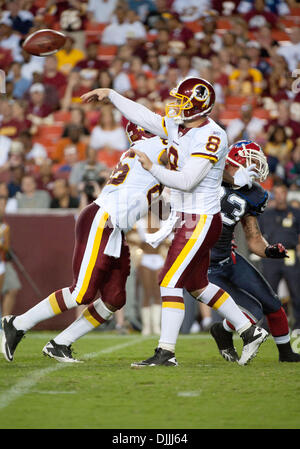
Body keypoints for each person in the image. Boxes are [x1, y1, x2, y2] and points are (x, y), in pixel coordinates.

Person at [80, 78, 269, 368]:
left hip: (201, 219)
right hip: (191, 218)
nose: (176, 105)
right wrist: (111, 95)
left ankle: (166, 352)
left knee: (169, 281)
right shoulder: (182, 125)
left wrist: (151, 167)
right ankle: (249, 329)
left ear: (198, 105)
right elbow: (146, 117)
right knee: (198, 285)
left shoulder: (212, 135)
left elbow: (187, 181)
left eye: (183, 101)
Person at [0, 123, 168, 363]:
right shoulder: (152, 148)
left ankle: (61, 343)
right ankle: (17, 324)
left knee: (114, 298)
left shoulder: (142, 151)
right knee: (82, 292)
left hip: (114, 227)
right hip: (102, 220)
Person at [208, 140, 300, 363]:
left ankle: (286, 353)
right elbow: (203, 170)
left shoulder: (254, 194)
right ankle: (221, 331)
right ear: (237, 161)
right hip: (204, 266)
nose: (258, 167)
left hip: (228, 259)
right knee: (251, 313)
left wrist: (269, 251)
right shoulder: (209, 176)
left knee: (272, 303)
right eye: (252, 160)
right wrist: (231, 179)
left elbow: (254, 238)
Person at [258, 183, 300, 333]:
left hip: (290, 255)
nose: (280, 196)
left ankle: (298, 325)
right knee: (269, 292)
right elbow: (259, 236)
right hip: (271, 257)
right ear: (274, 195)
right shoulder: (266, 214)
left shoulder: (296, 212)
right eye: (277, 193)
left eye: (282, 192)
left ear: (286, 194)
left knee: (296, 291)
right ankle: (267, 326)